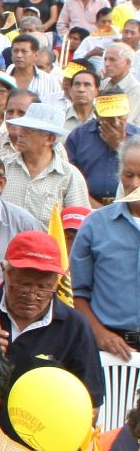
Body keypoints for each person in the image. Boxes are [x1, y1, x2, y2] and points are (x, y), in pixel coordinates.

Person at [0, 230, 106, 420]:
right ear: (5, 272)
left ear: (56, 282)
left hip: (40, 436)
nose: (32, 295)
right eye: (23, 284)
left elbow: (90, 403)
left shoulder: (74, 326)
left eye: (43, 287)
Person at [72, 138, 140, 355]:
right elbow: (78, 293)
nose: (135, 183)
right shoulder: (95, 224)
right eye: (129, 175)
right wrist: (100, 334)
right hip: (110, 347)